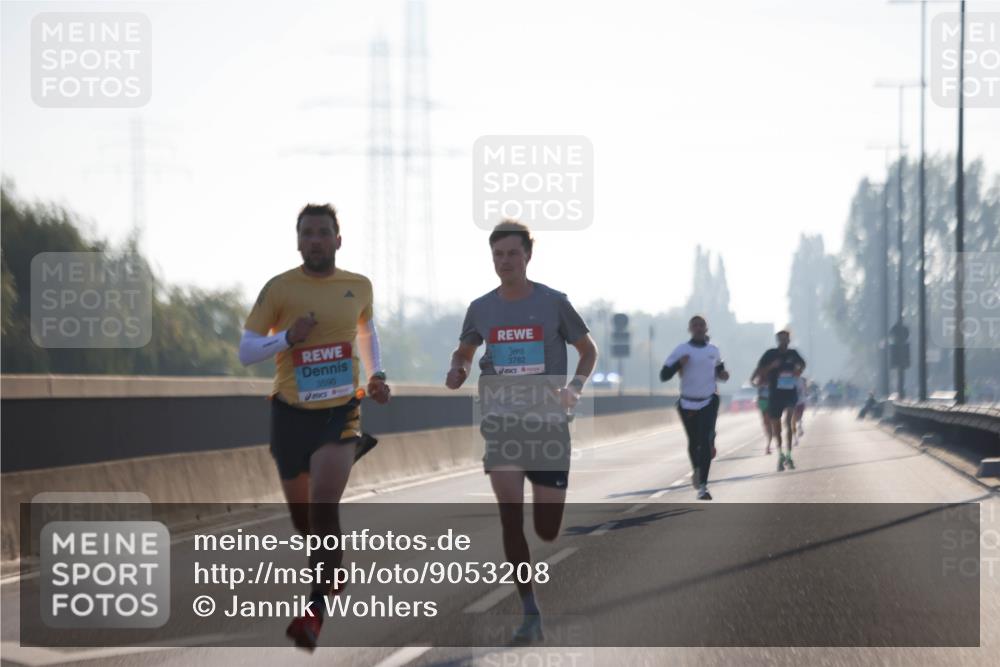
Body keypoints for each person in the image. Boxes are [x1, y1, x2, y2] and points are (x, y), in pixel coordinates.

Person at [239, 203, 391, 651]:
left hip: (340, 412)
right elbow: (246, 351)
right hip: (289, 414)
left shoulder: (358, 286)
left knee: (325, 506)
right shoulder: (279, 289)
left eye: (323, 232)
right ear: (298, 241)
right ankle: (332, 566)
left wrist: (377, 375)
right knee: (305, 520)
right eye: (307, 233)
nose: (316, 240)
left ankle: (314, 614)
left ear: (338, 240)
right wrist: (288, 337)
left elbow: (367, 332)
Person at [445, 220, 597, 645]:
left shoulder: (554, 302)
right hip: (502, 423)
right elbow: (464, 351)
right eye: (498, 255)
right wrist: (458, 368)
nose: (505, 261)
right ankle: (530, 609)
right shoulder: (480, 308)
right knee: (510, 516)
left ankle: (535, 581)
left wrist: (575, 388)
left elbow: (588, 350)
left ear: (528, 255)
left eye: (513, 253)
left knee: (547, 528)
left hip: (548, 424)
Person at [660, 315, 730, 500]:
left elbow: (719, 370)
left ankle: (703, 486)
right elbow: (664, 375)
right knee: (693, 441)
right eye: (695, 325)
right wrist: (678, 364)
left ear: (706, 328)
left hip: (708, 401)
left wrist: (723, 374)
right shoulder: (682, 350)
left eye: (701, 325)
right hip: (687, 403)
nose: (698, 328)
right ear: (690, 329)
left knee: (705, 441)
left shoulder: (713, 350)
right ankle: (697, 470)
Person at [753, 329, 806, 472]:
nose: (783, 341)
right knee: (777, 427)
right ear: (777, 340)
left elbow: (803, 364)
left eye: (786, 338)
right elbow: (760, 370)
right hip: (775, 394)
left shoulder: (793, 354)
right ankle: (780, 455)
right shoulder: (770, 354)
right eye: (781, 339)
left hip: (790, 393)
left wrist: (798, 371)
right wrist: (771, 366)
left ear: (789, 340)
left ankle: (789, 455)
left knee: (789, 423)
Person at [752, 374, 774, 454]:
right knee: (767, 424)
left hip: (770, 402)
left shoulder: (773, 377)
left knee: (769, 424)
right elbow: (753, 382)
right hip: (763, 401)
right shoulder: (760, 378)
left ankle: (768, 445)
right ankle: (768, 445)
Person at [793, 375, 808, 440]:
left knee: (799, 416)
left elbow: (805, 391)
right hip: (793, 402)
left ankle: (799, 427)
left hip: (801, 401)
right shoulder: (791, 380)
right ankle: (798, 428)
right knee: (795, 417)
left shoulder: (802, 380)